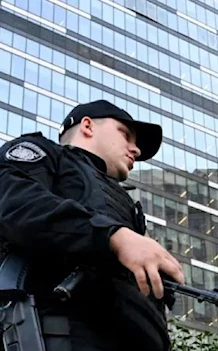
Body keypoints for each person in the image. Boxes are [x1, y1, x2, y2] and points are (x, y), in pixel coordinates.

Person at [0, 100, 185, 351]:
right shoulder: (43, 153)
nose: (136, 150)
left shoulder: (126, 204)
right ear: (87, 125)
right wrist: (114, 237)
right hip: (57, 333)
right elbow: (16, 205)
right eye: (126, 135)